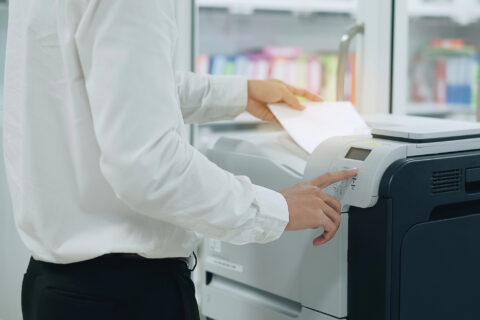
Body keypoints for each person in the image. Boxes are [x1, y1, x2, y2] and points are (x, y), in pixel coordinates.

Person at [3, 1, 358, 319]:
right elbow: (148, 167)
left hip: (53, 287)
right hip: (121, 298)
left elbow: (105, 87)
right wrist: (277, 208)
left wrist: (239, 93)